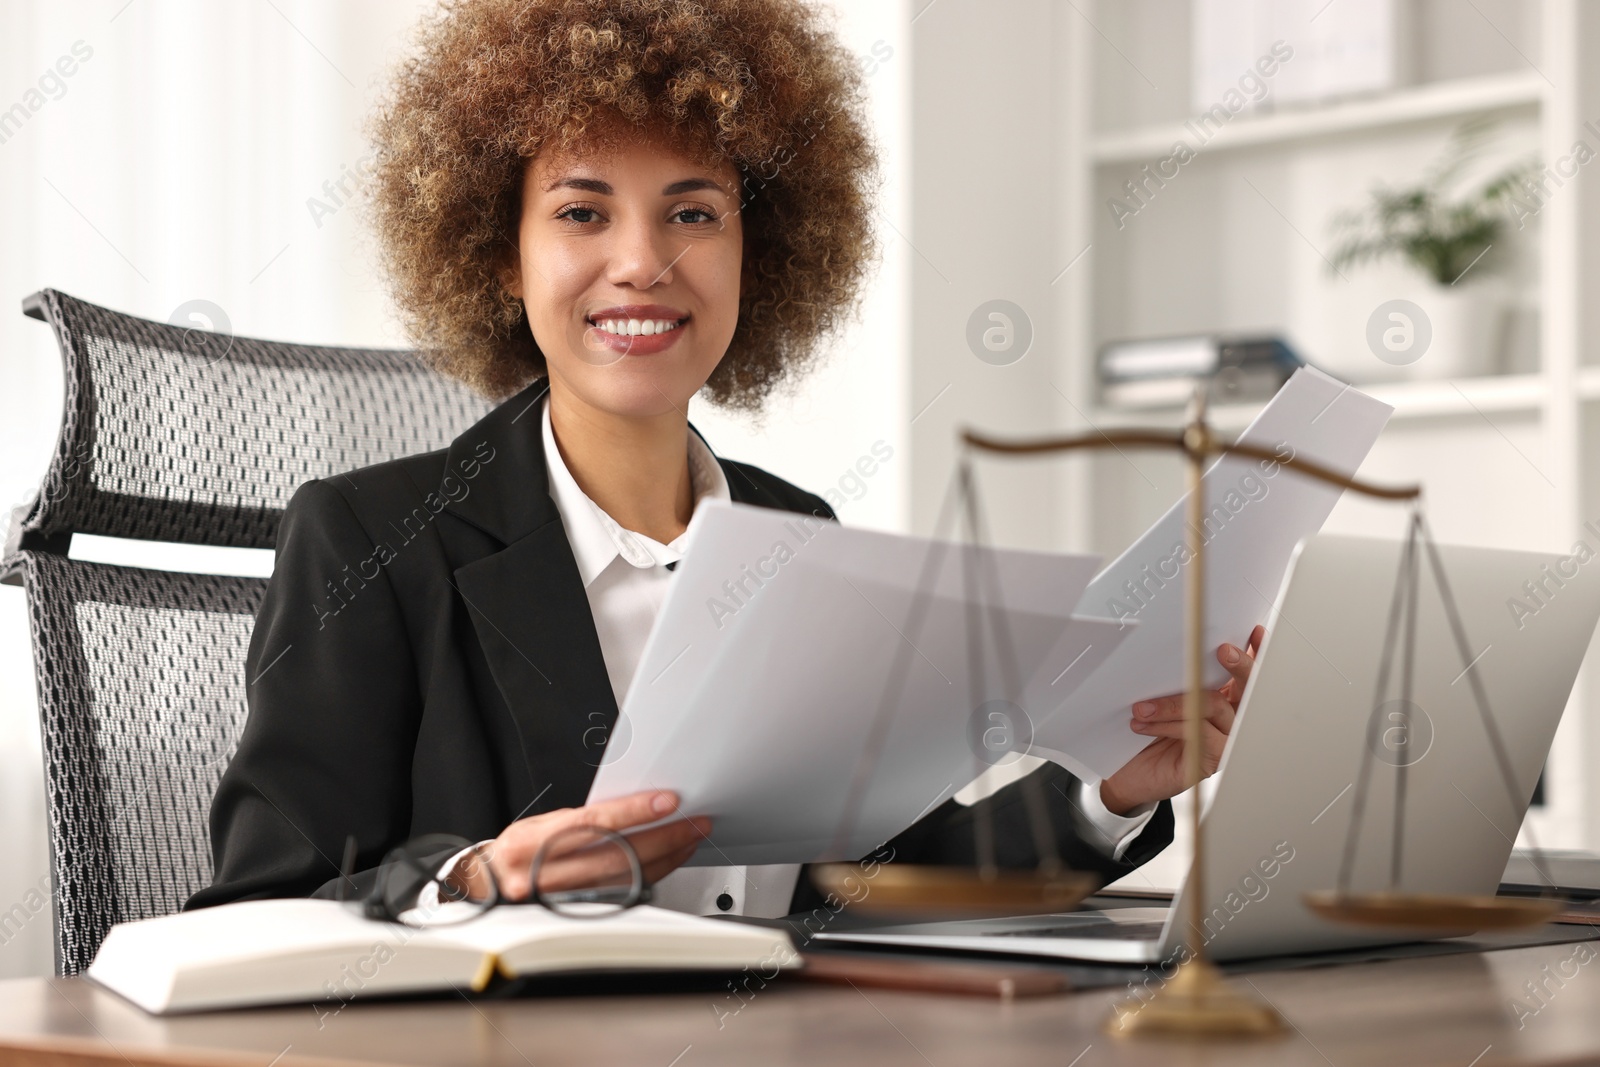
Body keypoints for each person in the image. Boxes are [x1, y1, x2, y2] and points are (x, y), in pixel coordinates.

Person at [187, 0, 1262, 918]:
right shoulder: (371, 540)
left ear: (763, 249)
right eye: (580, 211)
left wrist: (1108, 792)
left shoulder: (799, 537)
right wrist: (475, 876)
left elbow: (887, 868)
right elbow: (260, 902)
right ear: (501, 255)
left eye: (692, 211)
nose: (644, 262)